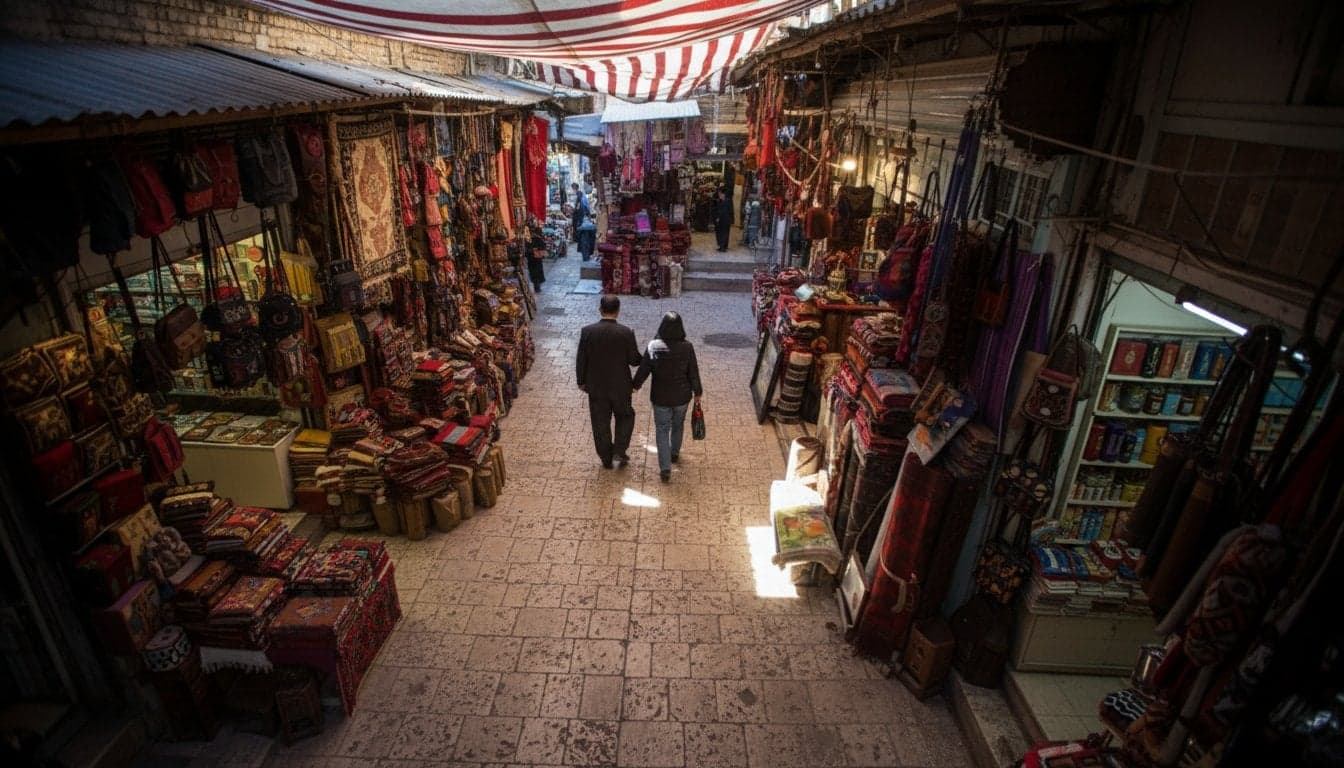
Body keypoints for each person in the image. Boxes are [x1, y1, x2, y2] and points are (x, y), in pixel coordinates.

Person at [632, 312, 702, 482]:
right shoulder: (687, 347)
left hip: (660, 397)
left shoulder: (655, 346)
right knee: (678, 425)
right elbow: (693, 372)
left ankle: (665, 468)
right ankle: (675, 453)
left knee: (662, 429)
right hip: (682, 397)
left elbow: (644, 369)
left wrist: (635, 385)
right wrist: (698, 392)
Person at [576, 295, 641, 469]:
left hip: (596, 387)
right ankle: (619, 449)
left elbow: (581, 359)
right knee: (625, 416)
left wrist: (581, 381)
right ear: (618, 310)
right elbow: (634, 360)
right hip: (621, 386)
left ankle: (605, 456)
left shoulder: (587, 331)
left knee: (600, 422)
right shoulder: (626, 332)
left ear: (600, 310)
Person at [526, 220, 546, 293]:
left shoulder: (529, 239)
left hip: (531, 258)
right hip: (536, 258)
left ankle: (536, 285)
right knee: (537, 272)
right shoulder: (537, 238)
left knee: (533, 272)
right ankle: (537, 286)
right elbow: (543, 246)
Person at [714, 187, 734, 252]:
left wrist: (731, 220)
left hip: (726, 220)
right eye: (719, 194)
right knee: (720, 233)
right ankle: (721, 246)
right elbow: (717, 210)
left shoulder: (728, 201)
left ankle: (723, 246)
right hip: (720, 220)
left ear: (724, 194)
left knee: (725, 233)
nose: (719, 195)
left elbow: (730, 211)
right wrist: (717, 217)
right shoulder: (719, 201)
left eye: (720, 194)